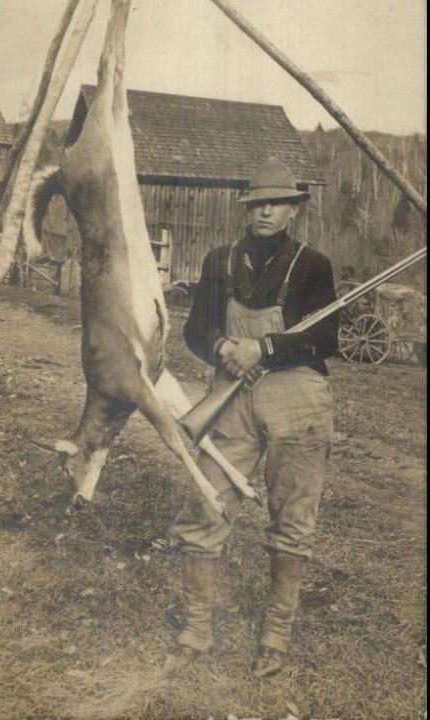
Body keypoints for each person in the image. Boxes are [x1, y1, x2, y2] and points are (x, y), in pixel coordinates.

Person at [167, 157, 338, 677]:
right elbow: (195, 331)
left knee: (292, 522)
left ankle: (275, 637)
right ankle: (196, 628)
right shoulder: (219, 261)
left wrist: (262, 347)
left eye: (277, 204)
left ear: (292, 210)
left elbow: (325, 338)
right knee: (206, 506)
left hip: (298, 400)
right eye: (257, 203)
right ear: (247, 208)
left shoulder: (313, 265)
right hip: (231, 396)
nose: (265, 212)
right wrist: (222, 346)